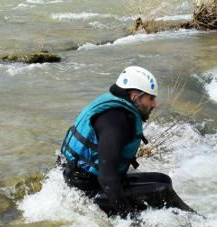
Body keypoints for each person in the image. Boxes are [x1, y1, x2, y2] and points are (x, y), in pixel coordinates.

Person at [58, 66, 193, 218]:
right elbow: (107, 177)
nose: (154, 104)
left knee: (163, 180)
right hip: (85, 193)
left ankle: (191, 224)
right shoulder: (117, 121)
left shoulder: (116, 109)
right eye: (151, 98)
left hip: (78, 181)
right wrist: (129, 219)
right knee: (161, 191)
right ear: (135, 97)